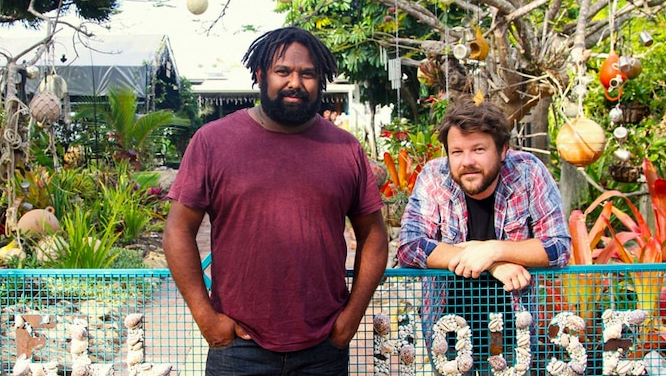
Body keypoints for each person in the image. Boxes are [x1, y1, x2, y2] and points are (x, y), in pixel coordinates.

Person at [164, 26, 388, 375]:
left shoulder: (345, 149)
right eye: (283, 71)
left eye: (308, 74)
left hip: (324, 347)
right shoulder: (213, 142)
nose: (295, 82)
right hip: (237, 346)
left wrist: (352, 315)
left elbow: (374, 236)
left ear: (321, 81)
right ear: (260, 75)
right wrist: (205, 316)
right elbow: (178, 230)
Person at [397, 97, 571, 374]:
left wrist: (493, 250)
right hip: (448, 328)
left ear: (502, 150)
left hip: (515, 328)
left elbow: (558, 247)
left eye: (479, 149)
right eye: (457, 152)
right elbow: (409, 246)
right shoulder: (433, 176)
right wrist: (489, 260)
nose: (467, 162)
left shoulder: (527, 172)